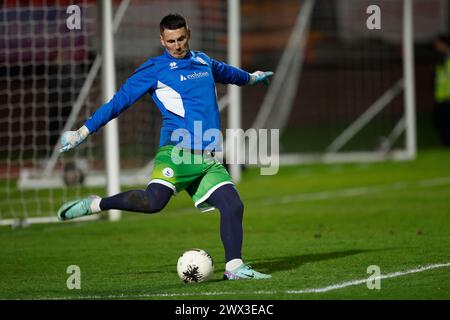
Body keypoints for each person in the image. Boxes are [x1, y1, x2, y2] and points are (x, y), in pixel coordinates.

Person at [57, 14, 274, 281]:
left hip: (205, 157)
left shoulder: (203, 61)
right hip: (176, 152)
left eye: (181, 38)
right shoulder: (154, 69)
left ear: (189, 35)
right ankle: (97, 204)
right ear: (162, 40)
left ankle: (234, 267)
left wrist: (253, 78)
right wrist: (82, 131)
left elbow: (230, 74)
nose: (177, 45)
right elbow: (118, 102)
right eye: (171, 41)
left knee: (233, 205)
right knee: (153, 202)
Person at [433, 35, 450, 147]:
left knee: (446, 122)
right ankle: (445, 142)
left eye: (438, 43)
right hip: (440, 96)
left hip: (448, 96)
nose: (436, 46)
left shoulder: (447, 57)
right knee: (439, 121)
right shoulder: (441, 57)